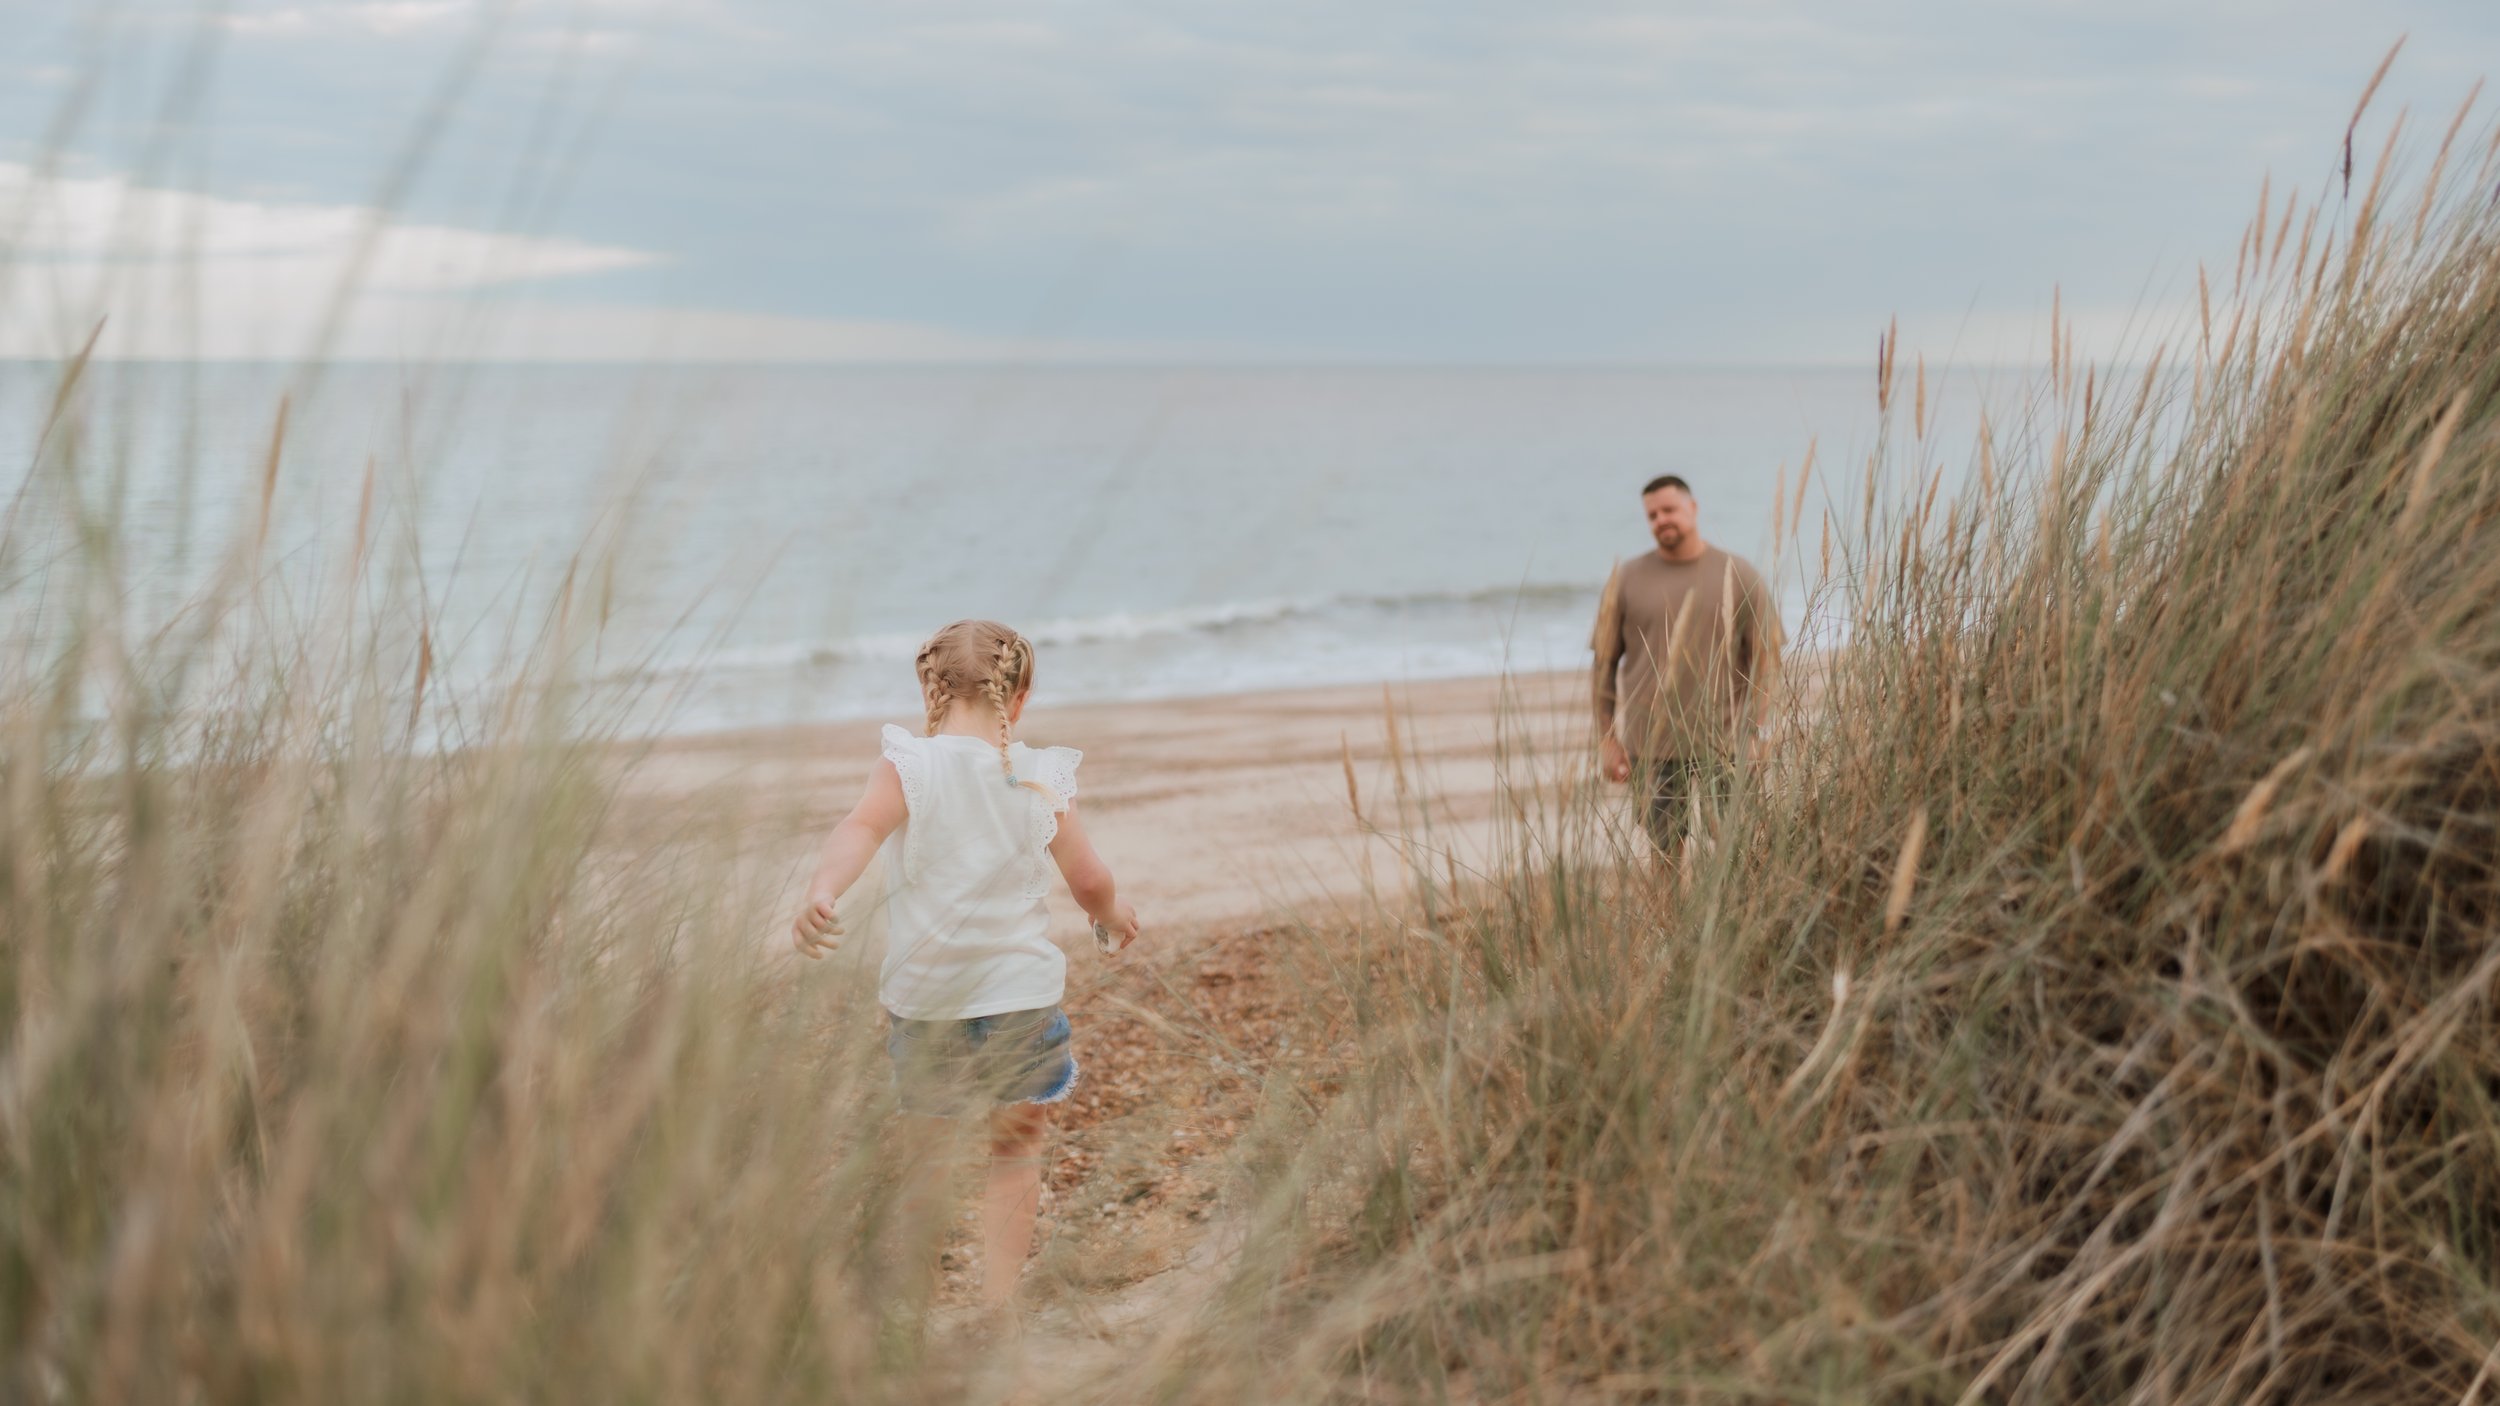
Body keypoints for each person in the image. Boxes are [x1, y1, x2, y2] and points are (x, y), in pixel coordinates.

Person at [789, 618, 1141, 1330]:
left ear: (933, 689)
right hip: (1021, 998)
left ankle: (912, 1307)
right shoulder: (1037, 775)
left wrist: (824, 888)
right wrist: (1115, 916)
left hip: (927, 1000)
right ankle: (999, 1304)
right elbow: (1089, 877)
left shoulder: (907, 767)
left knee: (925, 1154)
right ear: (1021, 696)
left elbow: (858, 829)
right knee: (1015, 1152)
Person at [1590, 474, 1785, 855]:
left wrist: (1755, 732)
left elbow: (1767, 661)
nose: (1661, 520)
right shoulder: (1627, 579)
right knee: (1664, 851)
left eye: (1669, 510)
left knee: (1734, 850)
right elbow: (1603, 666)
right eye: (1652, 515)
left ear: (1692, 509)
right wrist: (1607, 740)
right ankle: (1670, 918)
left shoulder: (1739, 573)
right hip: (1652, 744)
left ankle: (1730, 915)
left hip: (1725, 744)